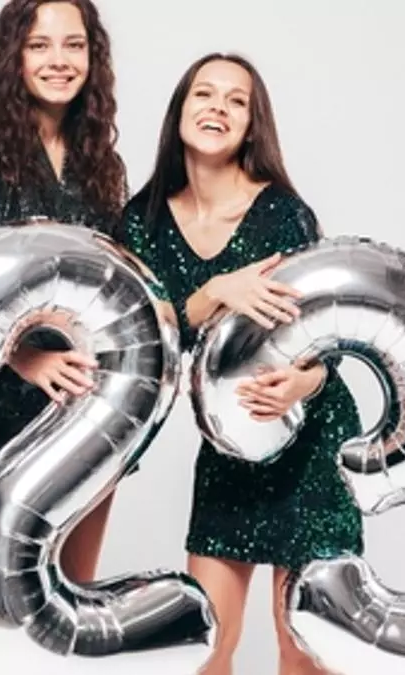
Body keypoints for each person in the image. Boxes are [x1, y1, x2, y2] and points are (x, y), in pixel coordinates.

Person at [120, 52, 364, 675]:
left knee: (303, 650)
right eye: (205, 94)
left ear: (253, 126)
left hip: (310, 446)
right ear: (180, 111)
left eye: (236, 102)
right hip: (230, 449)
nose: (218, 109)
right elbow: (143, 336)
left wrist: (303, 384)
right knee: (207, 649)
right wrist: (214, 291)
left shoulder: (282, 213)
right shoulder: (143, 221)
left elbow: (323, 336)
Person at [0, 0, 127, 584]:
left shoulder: (102, 160)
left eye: (74, 45)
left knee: (72, 597)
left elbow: (112, 285)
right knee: (3, 598)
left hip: (86, 409)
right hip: (2, 415)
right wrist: (23, 357)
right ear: (14, 57)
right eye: (40, 45)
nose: (58, 60)